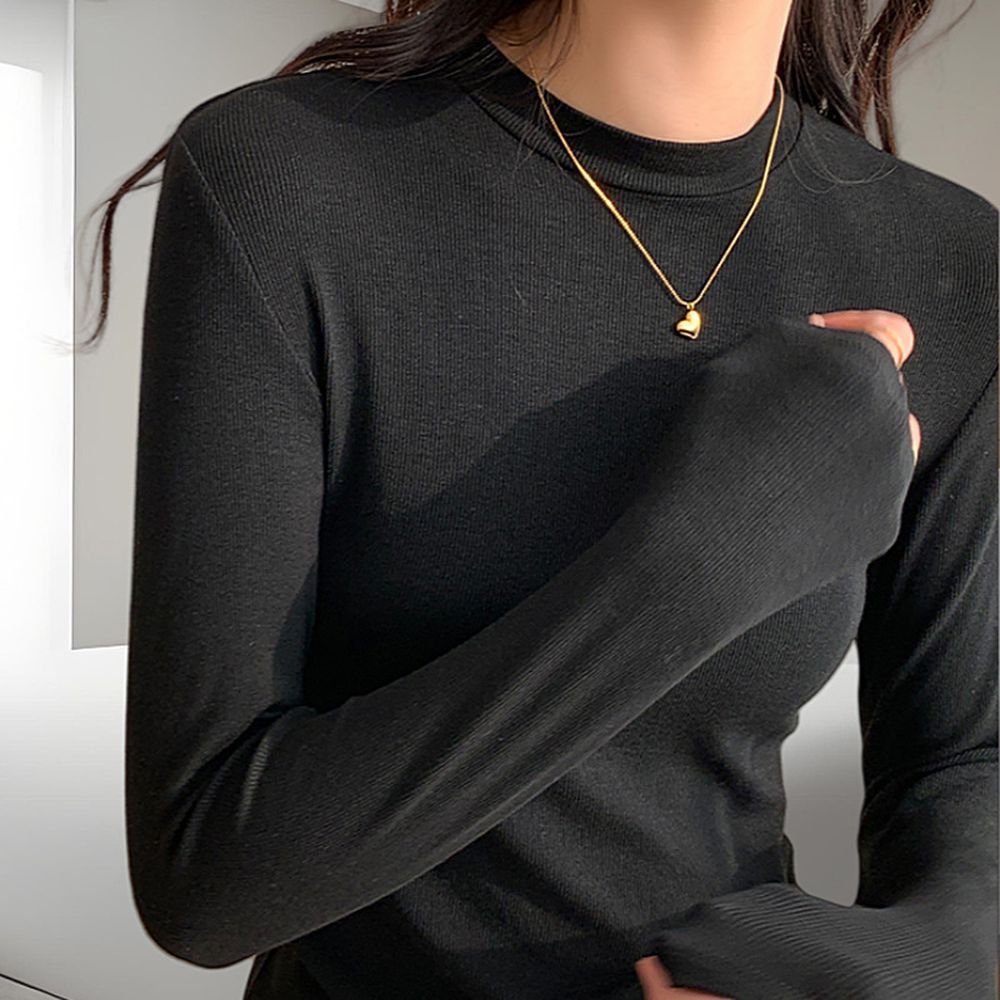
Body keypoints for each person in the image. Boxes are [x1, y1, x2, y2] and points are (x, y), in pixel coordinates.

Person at [97, 0, 997, 997]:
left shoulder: (950, 260)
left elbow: (967, 765)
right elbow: (205, 877)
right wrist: (702, 566)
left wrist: (920, 963)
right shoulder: (284, 173)